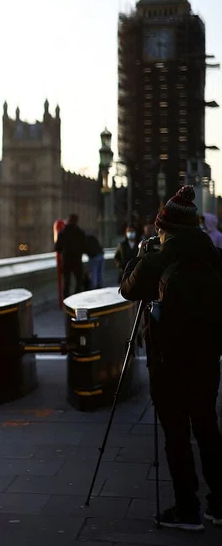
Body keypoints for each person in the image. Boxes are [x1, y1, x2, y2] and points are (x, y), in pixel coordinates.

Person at [120, 186, 222, 532]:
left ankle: (187, 509)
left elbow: (127, 289)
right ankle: (219, 503)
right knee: (207, 427)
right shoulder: (213, 255)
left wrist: (139, 255)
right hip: (207, 357)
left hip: (168, 361)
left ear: (166, 229)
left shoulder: (158, 259)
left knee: (176, 435)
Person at [54, 213, 87, 297]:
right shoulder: (80, 232)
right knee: (79, 282)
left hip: (66, 261)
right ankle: (76, 298)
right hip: (77, 260)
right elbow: (84, 246)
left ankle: (66, 301)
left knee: (66, 284)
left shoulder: (63, 232)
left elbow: (57, 248)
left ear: (68, 220)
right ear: (77, 221)